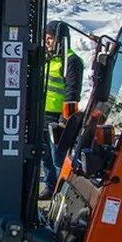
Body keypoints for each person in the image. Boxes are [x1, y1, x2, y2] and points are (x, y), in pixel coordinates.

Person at [40, 21, 84, 199]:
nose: (47, 42)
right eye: (46, 38)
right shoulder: (47, 58)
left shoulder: (71, 61)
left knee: (58, 157)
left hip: (58, 117)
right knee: (44, 155)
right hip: (42, 114)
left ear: (60, 40)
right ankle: (50, 186)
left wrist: (65, 119)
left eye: (50, 38)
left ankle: (61, 192)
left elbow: (72, 92)